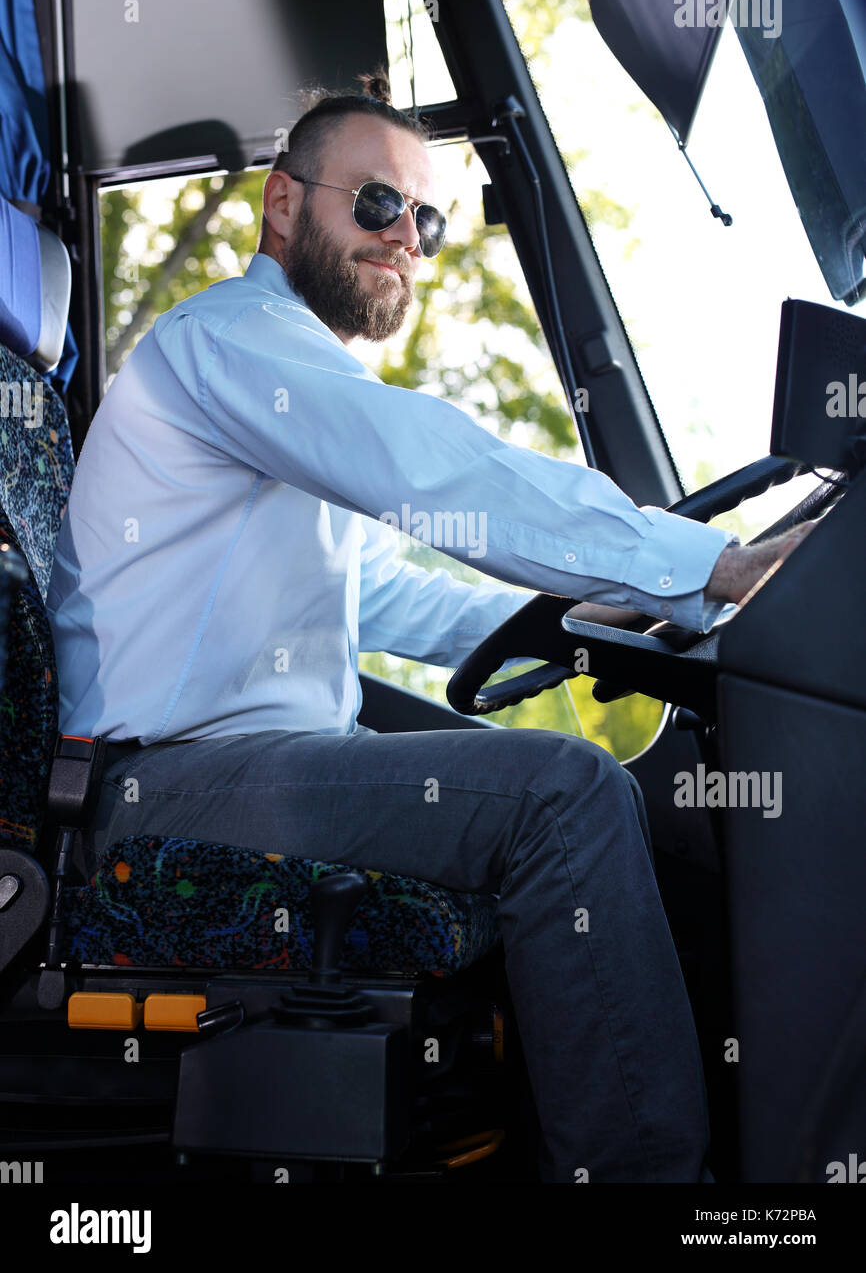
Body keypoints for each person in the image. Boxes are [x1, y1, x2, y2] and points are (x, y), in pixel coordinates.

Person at [46, 73, 811, 1183]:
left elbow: (384, 597)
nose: (406, 235)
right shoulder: (226, 342)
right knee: (563, 794)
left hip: (251, 763)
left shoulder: (284, 380)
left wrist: (578, 614)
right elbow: (426, 462)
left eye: (425, 217)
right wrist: (709, 565)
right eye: (375, 204)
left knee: (564, 787)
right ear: (281, 203)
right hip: (156, 787)